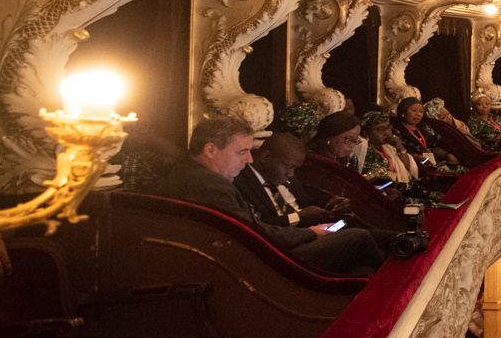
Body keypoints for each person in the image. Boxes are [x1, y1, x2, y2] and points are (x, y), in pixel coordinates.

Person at [160, 115, 385, 274]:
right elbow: (252, 233)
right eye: (242, 152)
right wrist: (311, 233)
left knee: (360, 259)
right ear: (210, 150)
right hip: (260, 265)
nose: (249, 159)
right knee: (358, 238)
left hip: (259, 254)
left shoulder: (195, 174)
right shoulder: (207, 184)